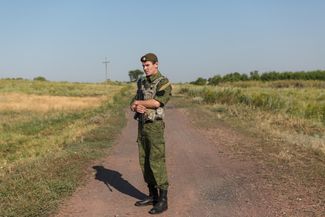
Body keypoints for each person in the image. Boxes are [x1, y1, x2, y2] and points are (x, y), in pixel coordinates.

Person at [130, 53, 172, 214]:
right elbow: (133, 101)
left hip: (154, 126)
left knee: (156, 160)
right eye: (143, 66)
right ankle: (152, 195)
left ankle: (163, 200)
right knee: (144, 160)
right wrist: (136, 107)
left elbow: (157, 102)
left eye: (148, 65)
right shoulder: (141, 82)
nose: (145, 68)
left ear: (156, 64)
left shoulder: (163, 82)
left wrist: (139, 103)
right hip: (142, 126)